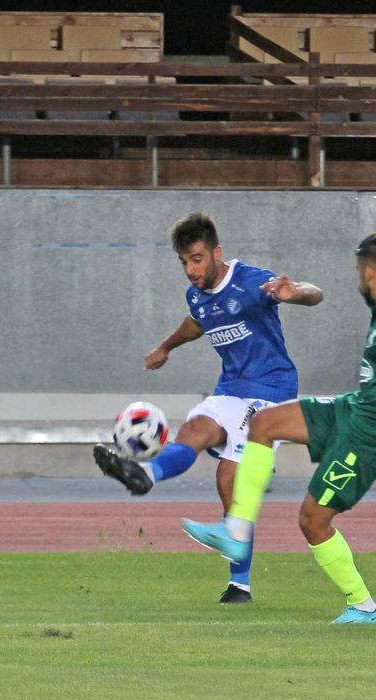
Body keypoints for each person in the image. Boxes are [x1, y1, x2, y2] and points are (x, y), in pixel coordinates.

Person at [181, 233, 376, 625]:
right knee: (263, 423)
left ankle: (364, 606)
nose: (357, 281)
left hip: (371, 432)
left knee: (313, 520)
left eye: (357, 273)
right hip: (356, 408)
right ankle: (235, 530)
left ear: (368, 272)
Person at [93, 212, 323, 605]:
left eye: (197, 259)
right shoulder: (197, 294)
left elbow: (314, 292)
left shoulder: (250, 281)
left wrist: (296, 293)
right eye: (184, 262)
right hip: (231, 387)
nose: (190, 269)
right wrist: (166, 347)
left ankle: (241, 584)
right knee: (193, 430)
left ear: (216, 252)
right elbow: (197, 322)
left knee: (227, 477)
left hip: (271, 391)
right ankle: (145, 474)